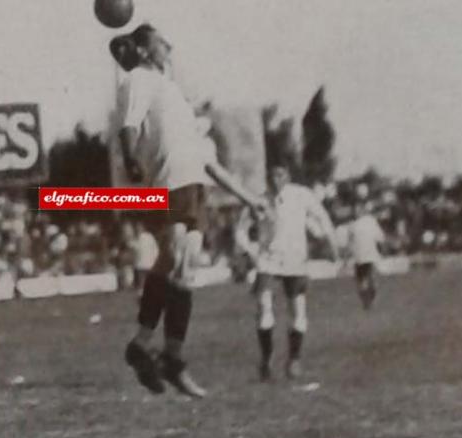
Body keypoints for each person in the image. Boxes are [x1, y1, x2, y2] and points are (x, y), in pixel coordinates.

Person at [112, 25, 263, 398]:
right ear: (147, 50)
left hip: (194, 186)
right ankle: (153, 349)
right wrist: (132, 159)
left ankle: (165, 354)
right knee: (177, 259)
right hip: (167, 183)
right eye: (163, 42)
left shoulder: (173, 93)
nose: (171, 47)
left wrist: (249, 198)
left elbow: (208, 161)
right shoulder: (138, 79)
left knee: (184, 267)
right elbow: (128, 125)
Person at [251, 165, 337, 382]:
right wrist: (253, 252)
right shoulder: (258, 199)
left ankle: (294, 359)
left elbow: (322, 217)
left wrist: (330, 242)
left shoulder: (301, 195)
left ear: (287, 176)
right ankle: (266, 358)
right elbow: (240, 229)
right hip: (267, 260)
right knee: (263, 307)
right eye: (271, 175)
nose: (275, 179)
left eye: (280, 174)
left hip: (295, 259)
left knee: (297, 309)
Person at [346, 200, 387, 310]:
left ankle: (368, 301)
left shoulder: (363, 222)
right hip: (364, 256)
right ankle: (368, 302)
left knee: (366, 281)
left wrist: (382, 249)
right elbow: (380, 239)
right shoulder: (358, 224)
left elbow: (379, 237)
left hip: (364, 256)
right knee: (366, 281)